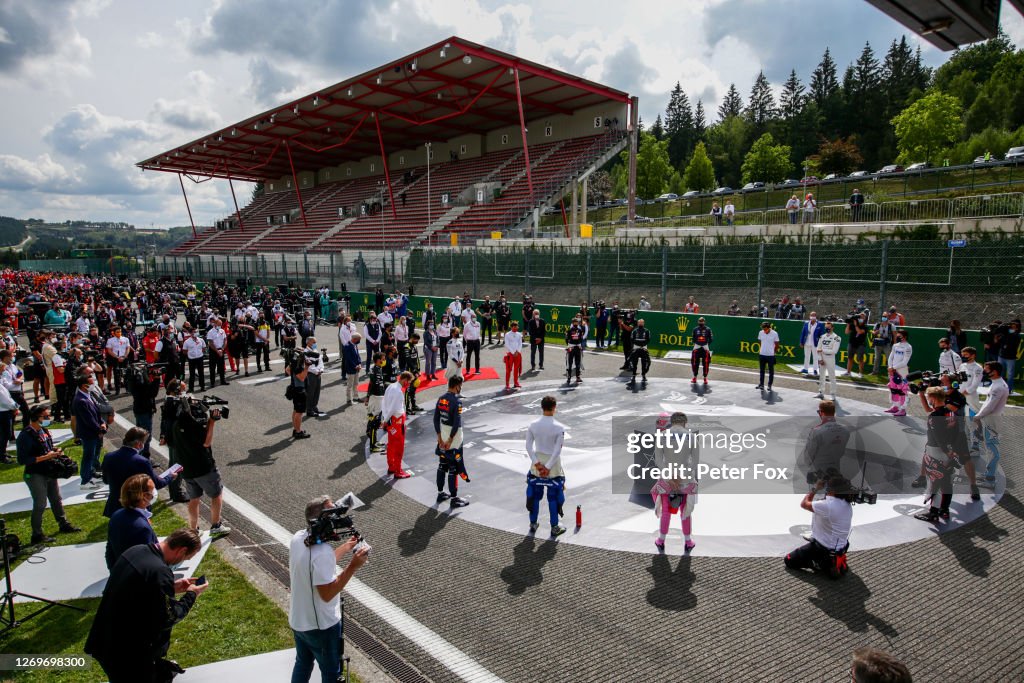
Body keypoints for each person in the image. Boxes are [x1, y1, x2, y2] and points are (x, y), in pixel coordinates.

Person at [85, 528, 207, 683]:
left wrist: (172, 587)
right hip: (128, 652)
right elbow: (169, 617)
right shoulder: (159, 572)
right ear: (182, 550)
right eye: (188, 557)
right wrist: (192, 594)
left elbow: (136, 588)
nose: (186, 560)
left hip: (105, 638)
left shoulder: (136, 551)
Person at [288, 496, 369, 683]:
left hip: (300, 620)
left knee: (303, 663)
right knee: (331, 674)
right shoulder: (321, 553)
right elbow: (327, 594)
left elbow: (318, 565)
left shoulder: (298, 538)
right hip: (321, 627)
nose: (337, 522)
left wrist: (345, 547)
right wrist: (353, 566)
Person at [17, 405, 81, 545]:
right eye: (45, 417)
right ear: (36, 418)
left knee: (56, 499)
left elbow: (47, 448)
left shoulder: (43, 431)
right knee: (40, 504)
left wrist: (55, 451)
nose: (48, 419)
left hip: (49, 471)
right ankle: (37, 535)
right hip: (35, 474)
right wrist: (47, 456)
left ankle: (63, 523)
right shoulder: (25, 436)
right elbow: (23, 460)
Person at [171, 396, 231, 537]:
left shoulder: (177, 423)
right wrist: (211, 422)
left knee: (194, 498)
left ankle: (193, 529)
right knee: (216, 495)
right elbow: (206, 442)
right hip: (203, 467)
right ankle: (216, 525)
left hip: (187, 468)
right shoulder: (194, 425)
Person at [784, 473, 853, 578]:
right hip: (840, 546)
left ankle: (820, 564)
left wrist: (815, 488)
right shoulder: (846, 503)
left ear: (832, 490)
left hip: (825, 549)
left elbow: (804, 504)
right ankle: (835, 561)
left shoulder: (828, 506)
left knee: (789, 560)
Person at [101, 427, 176, 518]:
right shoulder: (142, 461)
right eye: (144, 442)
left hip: (114, 505)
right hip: (136, 505)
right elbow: (157, 483)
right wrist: (170, 477)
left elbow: (105, 480)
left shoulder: (108, 456)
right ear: (139, 444)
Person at [913, 386, 962, 523]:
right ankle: (944, 510)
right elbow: (957, 433)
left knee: (934, 481)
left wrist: (947, 452)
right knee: (947, 482)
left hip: (937, 451)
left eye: (928, 398)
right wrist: (953, 452)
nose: (928, 400)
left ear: (933, 398)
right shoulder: (951, 413)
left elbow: (939, 437)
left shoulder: (935, 417)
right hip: (949, 451)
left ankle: (933, 512)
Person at [650, 412, 698, 550]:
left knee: (665, 510)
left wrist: (670, 478)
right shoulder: (691, 437)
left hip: (667, 479)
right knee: (685, 510)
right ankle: (688, 541)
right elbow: (694, 462)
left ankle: (661, 540)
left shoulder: (662, 437)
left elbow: (659, 461)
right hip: (686, 479)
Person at [525, 395, 567, 537]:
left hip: (536, 464)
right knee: (553, 497)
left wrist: (537, 464)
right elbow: (557, 451)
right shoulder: (559, 428)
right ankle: (555, 526)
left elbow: (528, 446)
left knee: (535, 495)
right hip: (553, 466)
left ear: (542, 407)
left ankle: (533, 523)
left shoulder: (533, 425)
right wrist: (548, 467)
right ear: (554, 408)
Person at [105, 474, 159, 571]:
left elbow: (110, 551)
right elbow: (148, 562)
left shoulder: (117, 515)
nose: (154, 492)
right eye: (152, 490)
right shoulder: (141, 528)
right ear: (144, 496)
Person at [434, 375, 469, 507]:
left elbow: (435, 419)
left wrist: (440, 437)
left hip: (442, 434)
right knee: (454, 468)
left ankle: (440, 493)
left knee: (442, 465)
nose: (461, 388)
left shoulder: (441, 398)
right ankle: (454, 498)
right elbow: (456, 423)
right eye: (461, 386)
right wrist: (450, 439)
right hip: (454, 439)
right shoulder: (457, 401)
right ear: (457, 385)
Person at [974, 361, 1008, 489]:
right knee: (989, 448)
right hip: (990, 419)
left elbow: (990, 406)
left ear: (995, 371)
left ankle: (990, 479)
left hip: (992, 420)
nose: (984, 371)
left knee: (992, 450)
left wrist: (978, 416)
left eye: (987, 369)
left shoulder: (998, 387)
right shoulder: (997, 384)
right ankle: (988, 473)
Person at [71, 372, 106, 490]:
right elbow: (88, 420)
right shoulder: (80, 400)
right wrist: (99, 430)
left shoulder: (87, 395)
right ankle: (85, 480)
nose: (93, 385)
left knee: (93, 455)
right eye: (91, 383)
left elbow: (96, 412)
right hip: (89, 433)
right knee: (88, 456)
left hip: (94, 432)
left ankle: (91, 473)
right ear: (83, 385)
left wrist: (102, 423)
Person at [125, 363, 161, 459]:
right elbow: (151, 392)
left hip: (139, 408)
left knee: (139, 435)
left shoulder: (133, 379)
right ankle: (144, 457)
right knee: (145, 436)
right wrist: (157, 379)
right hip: (144, 410)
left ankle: (140, 455)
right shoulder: (140, 380)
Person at [382, 371, 413, 478]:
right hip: (397, 421)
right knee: (399, 447)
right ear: (404, 380)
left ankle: (391, 466)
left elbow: (384, 402)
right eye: (408, 382)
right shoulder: (398, 392)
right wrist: (385, 420)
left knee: (391, 445)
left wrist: (385, 419)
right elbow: (394, 408)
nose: (408, 384)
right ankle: (398, 471)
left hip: (391, 421)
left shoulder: (391, 386)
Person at [816, 320, 842, 401]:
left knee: (832, 376)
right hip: (822, 358)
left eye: (829, 327)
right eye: (826, 327)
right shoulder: (822, 336)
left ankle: (833, 394)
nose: (827, 329)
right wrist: (820, 359)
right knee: (822, 376)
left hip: (830, 358)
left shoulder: (837, 338)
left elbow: (834, 351)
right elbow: (818, 349)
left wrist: (823, 350)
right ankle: (821, 392)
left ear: (832, 327)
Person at [995, 318, 1021, 394]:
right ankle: (1000, 387)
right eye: (1011, 324)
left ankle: (1009, 389)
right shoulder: (1005, 332)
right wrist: (1005, 325)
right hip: (1001, 355)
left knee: (1010, 374)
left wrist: (1007, 333)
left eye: (1014, 325)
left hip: (1011, 357)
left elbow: (1011, 342)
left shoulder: (1017, 335)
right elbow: (998, 331)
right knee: (1000, 372)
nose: (1012, 326)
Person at [303, 337, 326, 419]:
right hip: (311, 374)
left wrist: (321, 369)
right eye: (314, 342)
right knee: (310, 392)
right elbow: (307, 366)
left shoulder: (315, 351)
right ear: (308, 342)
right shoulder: (305, 352)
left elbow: (320, 362)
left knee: (317, 392)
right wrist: (316, 371)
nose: (315, 344)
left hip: (318, 374)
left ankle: (314, 407)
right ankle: (309, 410)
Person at [182, 325, 207, 393]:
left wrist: (200, 353)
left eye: (196, 332)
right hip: (192, 359)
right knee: (192, 374)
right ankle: (191, 388)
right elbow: (184, 351)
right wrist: (190, 355)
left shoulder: (201, 340)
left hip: (200, 358)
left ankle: (202, 386)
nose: (195, 333)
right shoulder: (187, 342)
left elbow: (204, 348)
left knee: (201, 373)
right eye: (194, 332)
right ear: (190, 333)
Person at [755, 321, 779, 391]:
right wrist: (763, 349)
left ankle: (769, 385)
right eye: (763, 329)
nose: (764, 330)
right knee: (762, 370)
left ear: (769, 328)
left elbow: (777, 344)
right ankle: (761, 384)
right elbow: (759, 342)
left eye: (765, 329)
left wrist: (773, 352)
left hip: (770, 355)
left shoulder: (775, 333)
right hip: (762, 354)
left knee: (771, 371)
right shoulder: (760, 332)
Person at [627, 318, 651, 385]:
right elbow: (632, 339)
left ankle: (643, 375)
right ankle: (633, 375)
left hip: (644, 348)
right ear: (637, 323)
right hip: (636, 348)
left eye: (642, 322)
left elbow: (648, 340)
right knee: (634, 362)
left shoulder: (647, 331)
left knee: (645, 362)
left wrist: (642, 344)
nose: (640, 324)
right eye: (639, 322)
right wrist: (639, 344)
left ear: (644, 323)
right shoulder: (634, 331)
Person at [845, 312, 868, 378]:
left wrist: (856, 325)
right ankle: (848, 372)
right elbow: (846, 332)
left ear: (865, 318)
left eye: (862, 317)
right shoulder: (853, 324)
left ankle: (860, 373)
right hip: (852, 343)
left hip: (860, 344)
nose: (861, 318)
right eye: (860, 317)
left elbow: (859, 332)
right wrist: (848, 324)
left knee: (860, 359)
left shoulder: (865, 326)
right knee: (850, 358)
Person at [690, 317, 712, 384]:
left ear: (704, 322)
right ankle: (694, 377)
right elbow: (693, 338)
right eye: (700, 321)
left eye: (702, 321)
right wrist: (697, 343)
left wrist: (706, 344)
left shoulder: (708, 329)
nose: (701, 322)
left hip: (705, 347)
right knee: (694, 362)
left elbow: (711, 338)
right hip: (697, 346)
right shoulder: (695, 329)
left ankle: (705, 378)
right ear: (698, 322)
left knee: (706, 363)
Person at [504, 320, 523, 389]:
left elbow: (520, 343)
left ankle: (516, 382)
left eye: (516, 327)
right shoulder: (507, 334)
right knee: (508, 369)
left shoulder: (519, 334)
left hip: (518, 354)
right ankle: (507, 384)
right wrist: (513, 352)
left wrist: (517, 351)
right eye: (514, 327)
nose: (515, 328)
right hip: (510, 354)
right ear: (511, 327)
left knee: (516, 369)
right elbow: (507, 344)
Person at [565, 317, 585, 383]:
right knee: (575, 363)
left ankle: (570, 377)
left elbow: (567, 340)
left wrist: (569, 345)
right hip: (576, 347)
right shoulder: (579, 330)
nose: (576, 323)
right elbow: (581, 339)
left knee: (571, 363)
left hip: (571, 347)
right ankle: (576, 377)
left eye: (576, 322)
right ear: (574, 323)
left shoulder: (569, 330)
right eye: (576, 322)